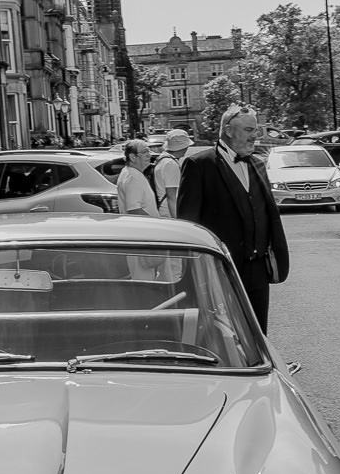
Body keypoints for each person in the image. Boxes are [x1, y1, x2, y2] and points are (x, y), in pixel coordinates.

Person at [176, 104, 289, 331]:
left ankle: (261, 366)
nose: (255, 135)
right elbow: (188, 225)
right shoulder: (200, 165)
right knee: (223, 332)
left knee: (257, 331)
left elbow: (267, 212)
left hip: (257, 267)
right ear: (229, 131)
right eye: (249, 130)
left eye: (255, 130)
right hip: (220, 268)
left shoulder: (257, 163)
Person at [152, 130, 191, 216]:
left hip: (163, 210)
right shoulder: (171, 164)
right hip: (168, 213)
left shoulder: (162, 159)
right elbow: (172, 197)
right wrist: (177, 219)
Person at [116, 139, 160, 215]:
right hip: (146, 225)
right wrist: (154, 222)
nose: (149, 155)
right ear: (132, 157)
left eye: (148, 151)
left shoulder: (133, 173)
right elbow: (134, 210)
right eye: (144, 152)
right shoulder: (132, 177)